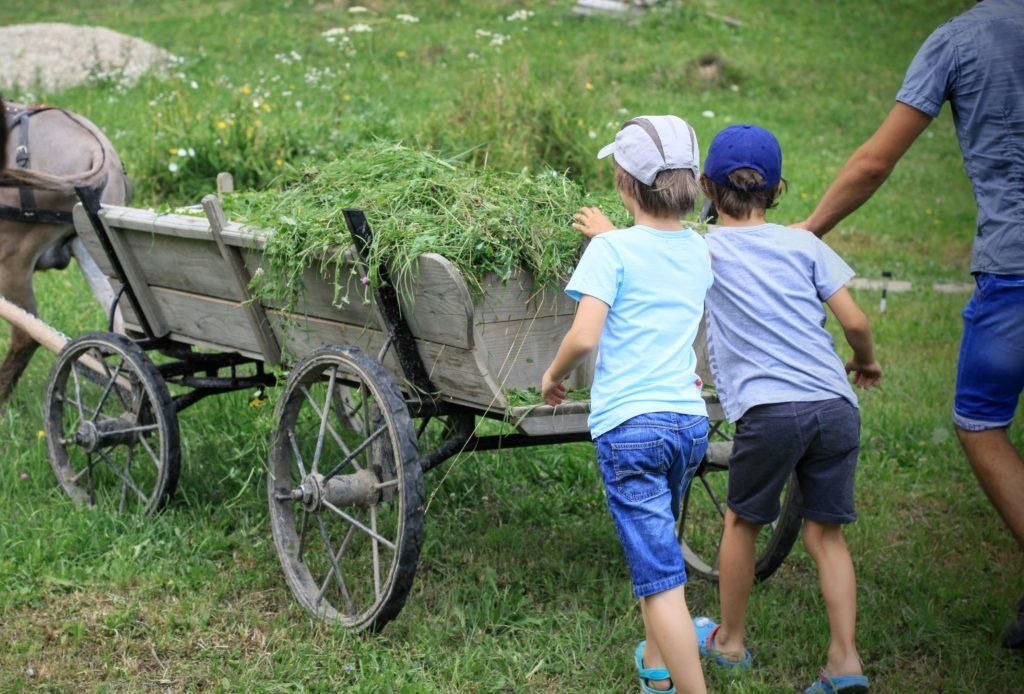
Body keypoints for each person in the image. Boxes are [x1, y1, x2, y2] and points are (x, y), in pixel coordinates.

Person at [792, 0, 1024, 648]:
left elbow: (875, 162)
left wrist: (808, 233)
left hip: (1014, 270)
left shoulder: (960, 40)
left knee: (980, 421)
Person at [542, 115, 713, 693]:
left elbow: (585, 336)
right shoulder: (698, 250)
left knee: (662, 580)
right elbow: (656, 260)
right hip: (688, 425)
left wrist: (552, 375)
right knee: (654, 549)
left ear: (623, 183)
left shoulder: (610, 251)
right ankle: (656, 666)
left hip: (632, 429)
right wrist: (612, 236)